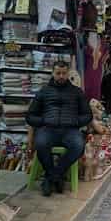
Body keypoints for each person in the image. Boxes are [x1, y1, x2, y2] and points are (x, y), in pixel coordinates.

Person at [26, 60, 92, 196]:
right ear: (52, 73)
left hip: (70, 130)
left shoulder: (77, 92)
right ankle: (56, 178)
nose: (61, 76)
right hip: (48, 129)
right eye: (58, 73)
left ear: (68, 74)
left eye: (64, 73)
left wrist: (75, 121)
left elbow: (88, 115)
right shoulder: (43, 92)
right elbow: (30, 116)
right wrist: (44, 120)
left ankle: (52, 177)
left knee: (78, 145)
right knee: (41, 143)